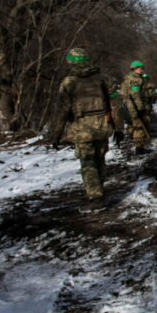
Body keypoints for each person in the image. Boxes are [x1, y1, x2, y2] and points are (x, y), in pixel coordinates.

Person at [46, 47, 121, 209]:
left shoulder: (69, 83)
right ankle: (98, 191)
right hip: (102, 127)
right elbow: (115, 105)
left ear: (71, 62)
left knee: (87, 163)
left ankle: (96, 198)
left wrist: (55, 135)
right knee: (100, 159)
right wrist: (119, 127)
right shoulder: (103, 79)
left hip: (82, 130)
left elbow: (61, 112)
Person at [121, 60, 151, 154]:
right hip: (134, 107)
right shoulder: (135, 79)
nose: (142, 70)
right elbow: (136, 94)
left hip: (129, 106)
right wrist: (140, 107)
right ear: (135, 69)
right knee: (139, 127)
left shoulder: (128, 78)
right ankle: (139, 148)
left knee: (133, 125)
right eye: (140, 68)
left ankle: (135, 140)